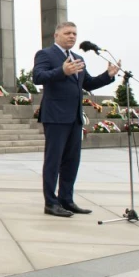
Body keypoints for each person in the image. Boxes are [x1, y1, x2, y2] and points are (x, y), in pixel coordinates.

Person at [33, 22, 120, 218]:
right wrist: (62, 71)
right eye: (67, 33)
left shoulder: (78, 58)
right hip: (55, 116)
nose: (72, 36)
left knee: (72, 161)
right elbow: (37, 77)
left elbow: (87, 83)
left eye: (74, 33)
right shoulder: (45, 55)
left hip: (74, 117)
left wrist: (108, 76)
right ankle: (51, 203)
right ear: (56, 35)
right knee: (53, 161)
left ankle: (66, 200)